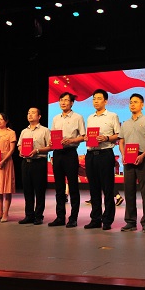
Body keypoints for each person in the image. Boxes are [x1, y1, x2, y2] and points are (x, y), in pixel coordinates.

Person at [118, 93, 145, 233]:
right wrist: (123, 154)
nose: (132, 104)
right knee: (129, 191)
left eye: (135, 102)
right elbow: (121, 141)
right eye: (130, 102)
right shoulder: (125, 123)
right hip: (128, 158)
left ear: (142, 105)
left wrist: (143, 155)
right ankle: (130, 222)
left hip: (143, 157)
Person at [84, 89, 121, 231]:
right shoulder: (90, 117)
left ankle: (107, 220)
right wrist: (87, 138)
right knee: (94, 188)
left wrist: (106, 138)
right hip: (91, 154)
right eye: (94, 98)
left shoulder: (112, 116)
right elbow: (89, 135)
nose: (96, 101)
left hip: (105, 154)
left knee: (107, 188)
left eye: (99, 98)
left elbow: (118, 135)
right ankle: (95, 219)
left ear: (105, 101)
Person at [49, 92, 86, 228]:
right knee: (59, 187)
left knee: (73, 186)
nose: (63, 102)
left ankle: (73, 218)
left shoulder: (78, 117)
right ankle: (60, 217)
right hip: (57, 153)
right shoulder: (55, 118)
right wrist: (52, 142)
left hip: (70, 153)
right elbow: (53, 136)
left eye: (66, 100)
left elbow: (83, 136)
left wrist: (71, 140)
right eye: (61, 100)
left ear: (72, 103)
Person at [17, 107, 51, 225]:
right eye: (28, 113)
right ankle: (29, 215)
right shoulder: (24, 131)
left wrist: (37, 150)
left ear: (39, 116)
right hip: (26, 163)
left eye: (33, 113)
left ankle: (38, 216)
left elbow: (50, 146)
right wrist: (21, 151)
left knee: (39, 190)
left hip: (39, 162)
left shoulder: (45, 130)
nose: (30, 115)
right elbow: (19, 145)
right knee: (27, 190)